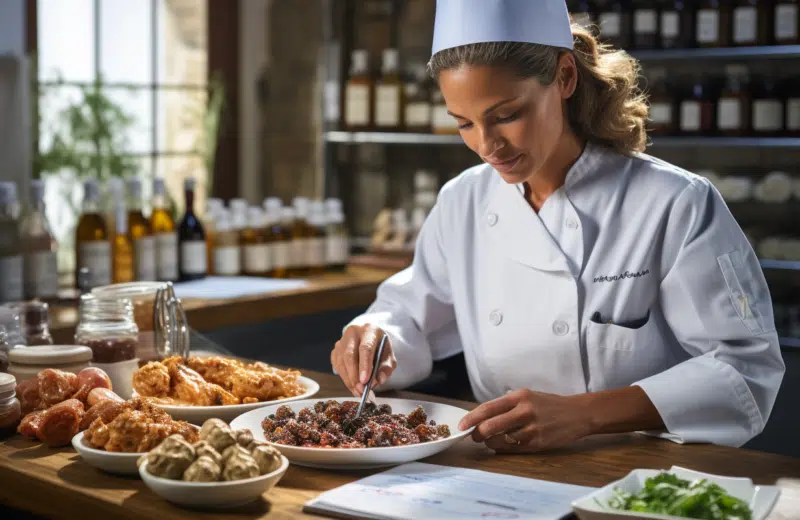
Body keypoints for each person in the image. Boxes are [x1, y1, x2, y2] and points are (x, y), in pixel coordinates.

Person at [330, 0, 785, 452]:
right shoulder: (463, 200)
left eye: (506, 115)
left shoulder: (674, 202)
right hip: (499, 463)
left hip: (632, 470)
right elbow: (411, 313)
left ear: (565, 77)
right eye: (464, 123)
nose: (487, 145)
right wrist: (375, 335)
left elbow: (745, 368)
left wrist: (584, 414)